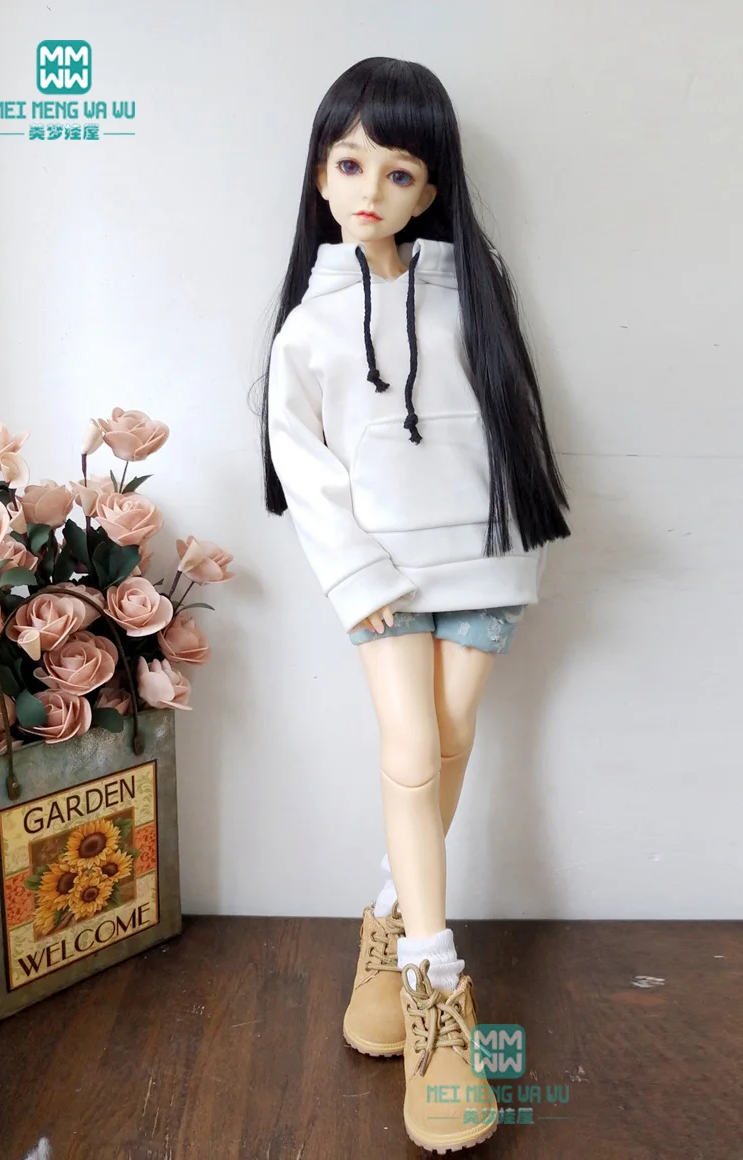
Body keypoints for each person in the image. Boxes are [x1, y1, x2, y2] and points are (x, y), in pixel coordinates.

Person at [257, 55, 571, 1153]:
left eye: (398, 173)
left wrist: (515, 544)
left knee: (447, 737)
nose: (371, 190)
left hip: (482, 560)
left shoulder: (470, 296)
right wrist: (356, 574)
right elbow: (303, 468)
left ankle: (388, 924)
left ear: (430, 189)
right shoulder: (308, 328)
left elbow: (510, 429)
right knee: (410, 750)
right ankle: (437, 983)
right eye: (351, 164)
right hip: (381, 576)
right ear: (319, 172)